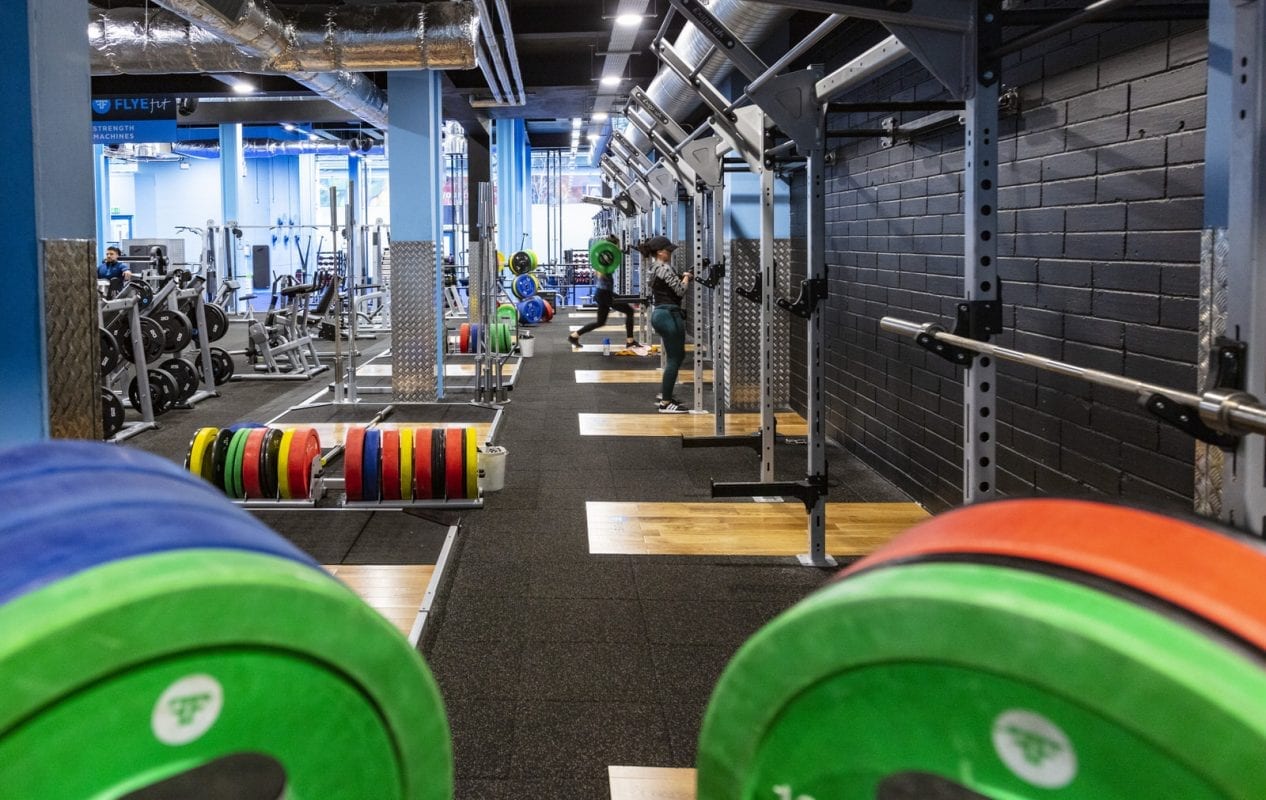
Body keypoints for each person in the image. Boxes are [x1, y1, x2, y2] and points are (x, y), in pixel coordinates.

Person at [641, 235, 692, 413]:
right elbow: (680, 291)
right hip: (669, 315)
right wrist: (686, 278)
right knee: (674, 358)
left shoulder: (653, 268)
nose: (670, 252)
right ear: (661, 252)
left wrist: (679, 277)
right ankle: (665, 403)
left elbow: (664, 286)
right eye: (668, 250)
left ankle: (666, 393)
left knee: (677, 356)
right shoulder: (665, 267)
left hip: (660, 314)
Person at [569, 236, 639, 350]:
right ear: (613, 246)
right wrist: (605, 268)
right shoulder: (604, 259)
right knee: (629, 311)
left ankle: (574, 336)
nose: (618, 248)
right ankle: (630, 341)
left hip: (602, 293)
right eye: (617, 245)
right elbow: (600, 273)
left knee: (600, 322)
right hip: (604, 294)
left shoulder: (607, 257)